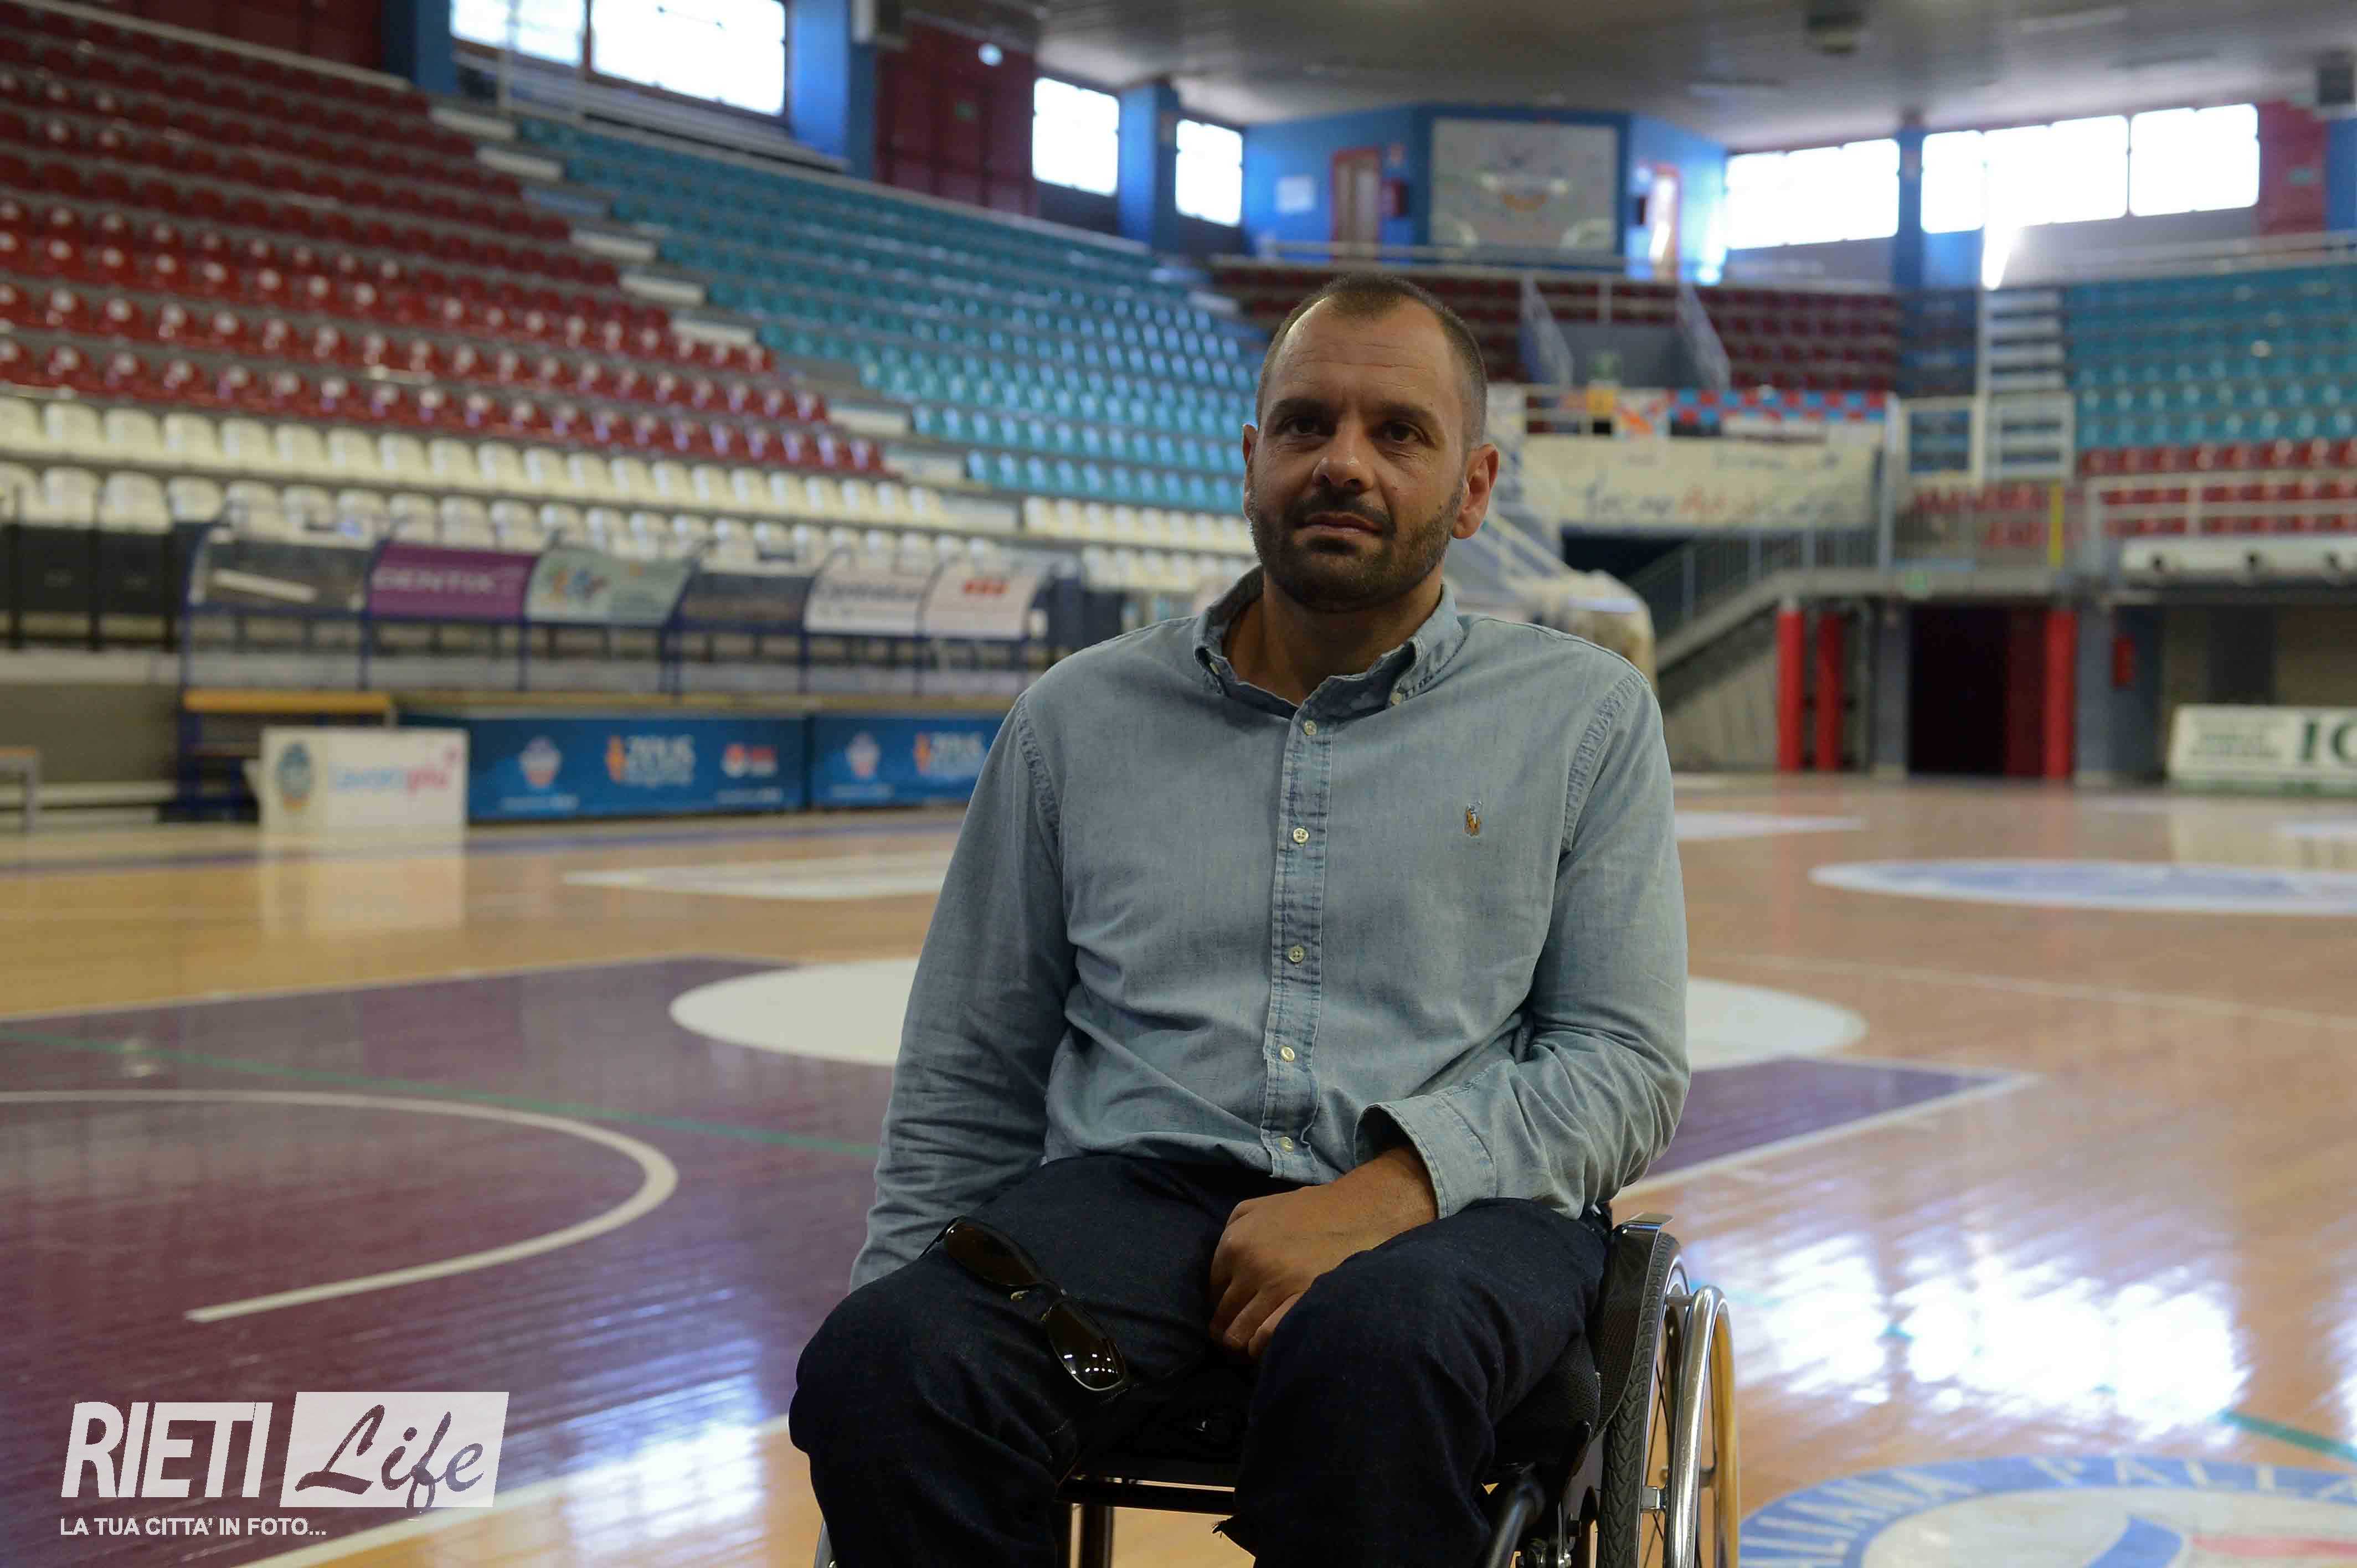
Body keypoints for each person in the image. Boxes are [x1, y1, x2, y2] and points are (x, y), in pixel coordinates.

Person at [791, 272, 1689, 1567]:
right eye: (1306, 425)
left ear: (1474, 487)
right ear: (1250, 458)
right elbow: (970, 1067)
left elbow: (1622, 1064)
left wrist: (1388, 1192)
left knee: (1371, 1357)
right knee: (886, 1368)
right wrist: (887, 1354)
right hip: (1129, 1208)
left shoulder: (1586, 718)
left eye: (1399, 432)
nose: (1343, 462)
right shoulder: (1074, 721)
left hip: (1467, 1222)